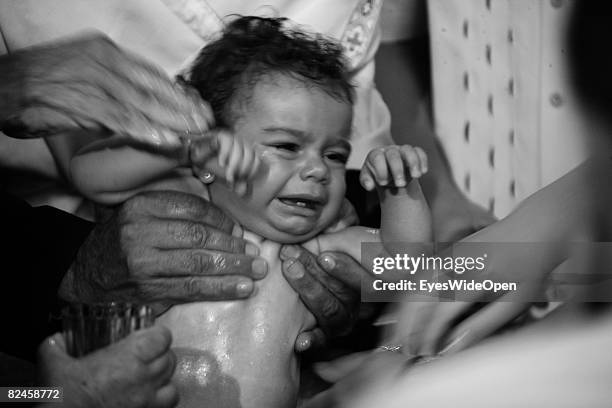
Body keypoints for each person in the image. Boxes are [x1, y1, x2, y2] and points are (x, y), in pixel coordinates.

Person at [51, 16, 432, 408]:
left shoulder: (315, 253)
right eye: (287, 146)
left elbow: (407, 264)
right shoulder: (175, 221)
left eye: (335, 155)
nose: (317, 169)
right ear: (211, 160)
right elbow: (89, 174)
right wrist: (182, 146)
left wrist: (398, 187)